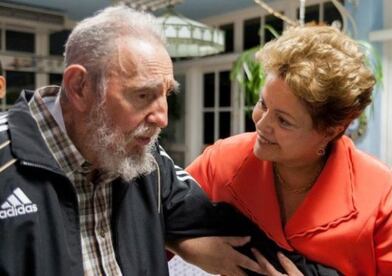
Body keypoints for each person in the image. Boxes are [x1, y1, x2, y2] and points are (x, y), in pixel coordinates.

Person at [0, 6, 270, 276]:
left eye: (166, 94)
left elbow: (221, 230)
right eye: (143, 95)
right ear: (79, 87)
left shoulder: (146, 159)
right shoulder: (6, 162)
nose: (162, 119)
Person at [187, 26, 392, 275]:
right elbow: (154, 219)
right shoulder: (224, 159)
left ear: (330, 130)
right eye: (263, 103)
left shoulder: (377, 189)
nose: (261, 124)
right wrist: (193, 249)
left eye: (284, 120)